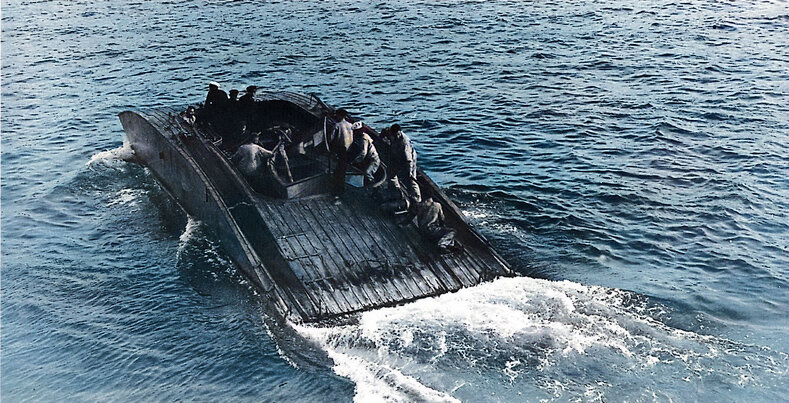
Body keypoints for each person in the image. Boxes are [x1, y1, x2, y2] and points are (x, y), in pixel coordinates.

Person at [386, 123, 421, 205]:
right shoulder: (390, 133)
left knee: (411, 179)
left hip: (408, 159)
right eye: (394, 134)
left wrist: (409, 172)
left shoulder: (404, 142)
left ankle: (417, 199)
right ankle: (396, 190)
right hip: (397, 155)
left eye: (398, 134)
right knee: (391, 173)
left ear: (400, 132)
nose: (396, 136)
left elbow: (408, 160)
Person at [330, 108, 354, 196]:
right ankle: (342, 186)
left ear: (340, 115)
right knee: (343, 169)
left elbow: (331, 139)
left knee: (339, 170)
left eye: (337, 115)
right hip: (349, 149)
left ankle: (338, 188)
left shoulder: (337, 125)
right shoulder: (350, 125)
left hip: (341, 149)